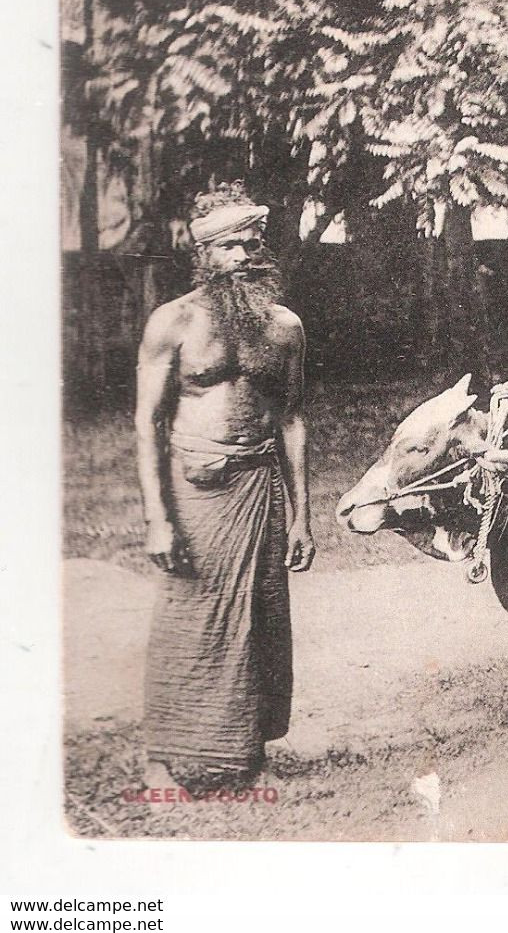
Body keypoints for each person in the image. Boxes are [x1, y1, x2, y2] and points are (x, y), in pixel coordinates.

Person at [134, 183, 314, 792]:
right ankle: (162, 760)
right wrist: (158, 517)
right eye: (230, 245)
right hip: (195, 492)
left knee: (260, 620)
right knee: (188, 618)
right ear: (204, 253)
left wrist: (301, 516)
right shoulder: (173, 323)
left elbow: (291, 418)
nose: (244, 255)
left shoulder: (284, 327)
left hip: (258, 488)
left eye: (252, 243)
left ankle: (247, 756)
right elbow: (147, 422)